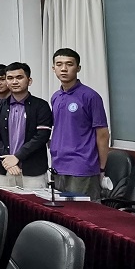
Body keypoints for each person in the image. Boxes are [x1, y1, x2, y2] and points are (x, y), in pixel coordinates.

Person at [49, 48, 110, 201]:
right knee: (61, 211)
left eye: (69, 64)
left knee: (85, 212)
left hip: (82, 166)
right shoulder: (56, 97)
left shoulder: (90, 96)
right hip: (58, 165)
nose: (64, 68)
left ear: (78, 68)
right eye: (59, 64)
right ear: (53, 68)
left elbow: (103, 134)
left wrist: (101, 168)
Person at [0, 62, 53, 191]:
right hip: (4, 169)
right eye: (10, 78)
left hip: (33, 171)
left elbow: (42, 136)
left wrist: (17, 157)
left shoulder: (41, 105)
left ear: (29, 80)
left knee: (34, 204)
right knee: (3, 203)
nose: (14, 81)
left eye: (19, 77)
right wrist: (8, 161)